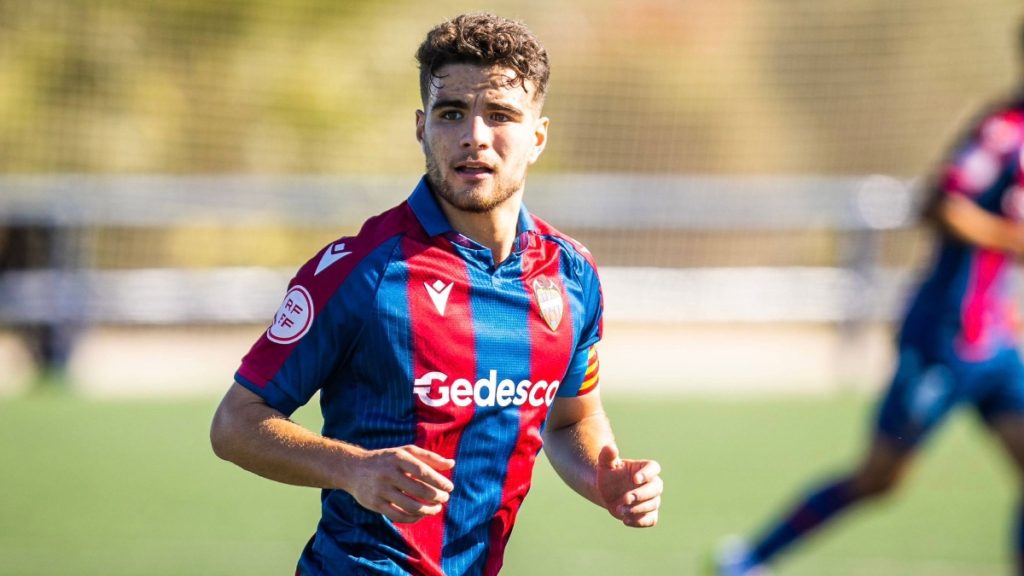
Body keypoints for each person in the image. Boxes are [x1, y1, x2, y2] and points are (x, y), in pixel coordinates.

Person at [210, 12, 662, 576]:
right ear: (422, 128)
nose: (474, 135)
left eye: (500, 115)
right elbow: (235, 424)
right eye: (453, 114)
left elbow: (569, 421)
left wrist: (603, 476)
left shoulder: (571, 275)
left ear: (537, 136)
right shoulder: (362, 272)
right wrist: (354, 469)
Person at [714, 26, 1024, 576]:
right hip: (946, 338)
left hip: (995, 343)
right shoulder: (1003, 131)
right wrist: (1009, 238)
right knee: (880, 477)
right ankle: (746, 560)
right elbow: (941, 203)